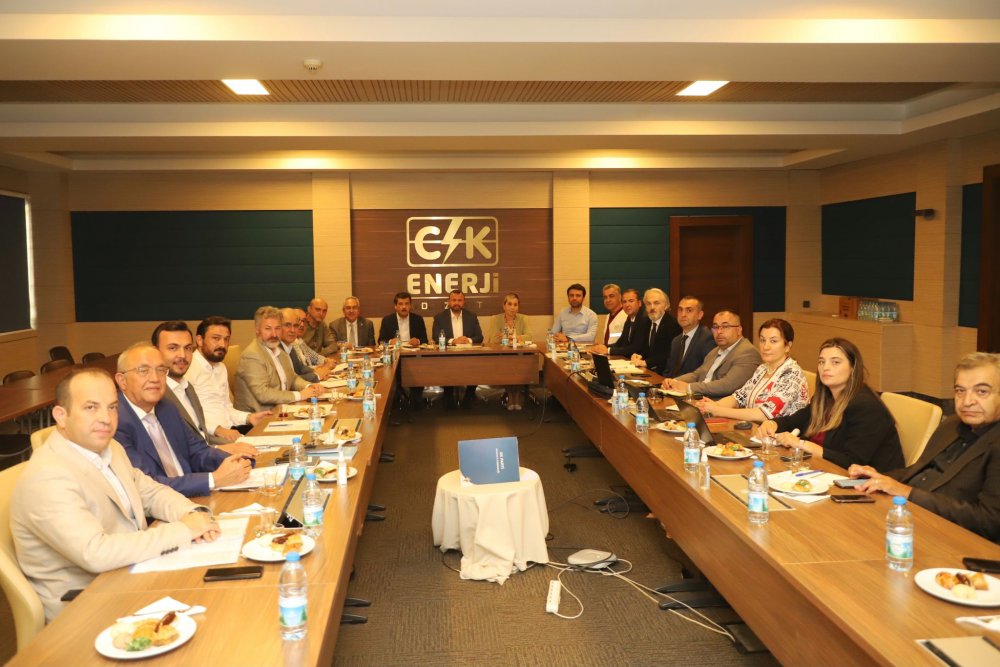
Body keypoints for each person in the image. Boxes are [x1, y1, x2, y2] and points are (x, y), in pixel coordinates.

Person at [11, 367, 220, 621]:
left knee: (218, 595)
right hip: (87, 608)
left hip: (131, 575)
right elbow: (96, 553)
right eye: (91, 407)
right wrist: (185, 530)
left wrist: (193, 512)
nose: (106, 418)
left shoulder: (112, 448)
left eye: (112, 407)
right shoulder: (47, 477)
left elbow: (151, 492)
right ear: (61, 416)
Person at [848, 352, 1000, 541]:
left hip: (948, 538)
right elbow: (919, 471)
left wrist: (907, 492)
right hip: (906, 516)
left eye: (982, 392)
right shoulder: (952, 424)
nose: (967, 401)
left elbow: (990, 521)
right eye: (960, 391)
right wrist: (880, 478)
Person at [114, 343, 253, 497]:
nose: (155, 378)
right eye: (143, 371)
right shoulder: (115, 422)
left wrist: (238, 461)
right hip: (160, 508)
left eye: (161, 370)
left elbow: (198, 452)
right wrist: (213, 479)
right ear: (122, 380)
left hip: (194, 497)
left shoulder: (167, 407)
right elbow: (147, 486)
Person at [760, 338, 903, 471]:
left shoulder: (866, 406)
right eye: (821, 362)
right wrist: (772, 424)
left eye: (835, 362)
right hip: (821, 470)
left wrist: (802, 444)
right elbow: (794, 421)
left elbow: (853, 462)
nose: (826, 367)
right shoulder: (825, 398)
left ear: (853, 367)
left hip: (868, 483)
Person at [154, 320, 259, 457]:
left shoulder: (187, 387)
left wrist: (248, 418)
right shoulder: (156, 394)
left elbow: (202, 436)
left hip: (209, 449)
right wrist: (221, 447)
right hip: (202, 457)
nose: (182, 355)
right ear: (155, 352)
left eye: (187, 348)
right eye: (173, 348)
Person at [696, 319, 808, 423]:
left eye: (773, 341)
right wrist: (711, 406)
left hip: (780, 435)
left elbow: (763, 414)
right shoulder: (763, 368)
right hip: (752, 429)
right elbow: (739, 398)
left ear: (787, 346)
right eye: (762, 340)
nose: (765, 347)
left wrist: (718, 410)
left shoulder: (793, 374)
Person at [185, 316, 269, 442]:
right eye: (216, 338)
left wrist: (249, 417)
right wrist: (217, 429)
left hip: (230, 430)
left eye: (226, 339)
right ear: (199, 340)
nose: (222, 345)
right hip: (208, 436)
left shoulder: (220, 368)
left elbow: (226, 408)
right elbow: (187, 416)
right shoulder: (188, 368)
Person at [233, 305, 323, 412]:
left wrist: (309, 387)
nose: (274, 334)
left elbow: (293, 378)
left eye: (277, 328)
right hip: (260, 417)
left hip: (281, 410)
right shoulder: (252, 355)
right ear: (257, 330)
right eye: (268, 329)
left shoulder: (280, 352)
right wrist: (299, 395)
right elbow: (263, 394)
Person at [662, 310, 762, 399]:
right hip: (700, 400)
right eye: (715, 327)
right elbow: (697, 374)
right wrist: (673, 382)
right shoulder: (715, 351)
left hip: (722, 406)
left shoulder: (748, 352)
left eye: (725, 326)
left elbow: (727, 385)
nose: (719, 331)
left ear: (739, 330)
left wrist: (689, 387)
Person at [432, 290, 485, 408]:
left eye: (459, 300)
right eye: (454, 300)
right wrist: (453, 341)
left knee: (477, 366)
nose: (456, 303)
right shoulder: (440, 317)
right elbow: (436, 338)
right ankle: (448, 396)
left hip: (468, 356)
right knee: (446, 367)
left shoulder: (472, 316)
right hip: (447, 356)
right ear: (449, 302)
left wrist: (468, 340)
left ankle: (469, 395)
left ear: (464, 302)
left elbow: (480, 337)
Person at [488, 292, 531, 411]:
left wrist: (508, 336)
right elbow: (494, 339)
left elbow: (529, 336)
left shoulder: (524, 318)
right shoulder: (496, 319)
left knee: (519, 364)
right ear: (504, 306)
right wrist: (517, 337)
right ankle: (511, 395)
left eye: (515, 304)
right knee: (508, 364)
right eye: (510, 304)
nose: (512, 307)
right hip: (502, 355)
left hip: (520, 354)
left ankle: (517, 395)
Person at [630, 288, 681, 374]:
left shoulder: (672, 325)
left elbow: (668, 354)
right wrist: (640, 356)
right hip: (649, 371)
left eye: (656, 303)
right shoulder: (646, 322)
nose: (652, 307)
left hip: (664, 373)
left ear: (666, 305)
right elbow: (648, 349)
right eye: (648, 304)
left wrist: (646, 362)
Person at [590, 288, 648, 357]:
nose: (627, 305)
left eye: (631, 301)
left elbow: (636, 348)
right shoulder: (629, 318)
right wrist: (602, 347)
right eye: (624, 302)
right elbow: (621, 342)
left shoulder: (644, 319)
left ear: (639, 303)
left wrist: (608, 350)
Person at [279, 307, 331, 383]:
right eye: (287, 325)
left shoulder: (289, 345)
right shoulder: (276, 349)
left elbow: (301, 368)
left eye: (295, 325)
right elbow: (289, 380)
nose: (292, 330)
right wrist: (317, 375)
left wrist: (317, 372)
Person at [667, 296, 715, 377]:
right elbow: (668, 371)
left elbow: (706, 374)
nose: (683, 315)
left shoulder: (707, 338)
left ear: (700, 315)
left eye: (689, 310)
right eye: (680, 310)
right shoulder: (676, 340)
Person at [291, 308, 336, 372]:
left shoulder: (299, 340)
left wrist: (326, 360)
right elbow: (301, 370)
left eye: (304, 321)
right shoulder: (289, 343)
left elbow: (314, 357)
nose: (302, 324)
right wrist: (323, 367)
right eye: (298, 320)